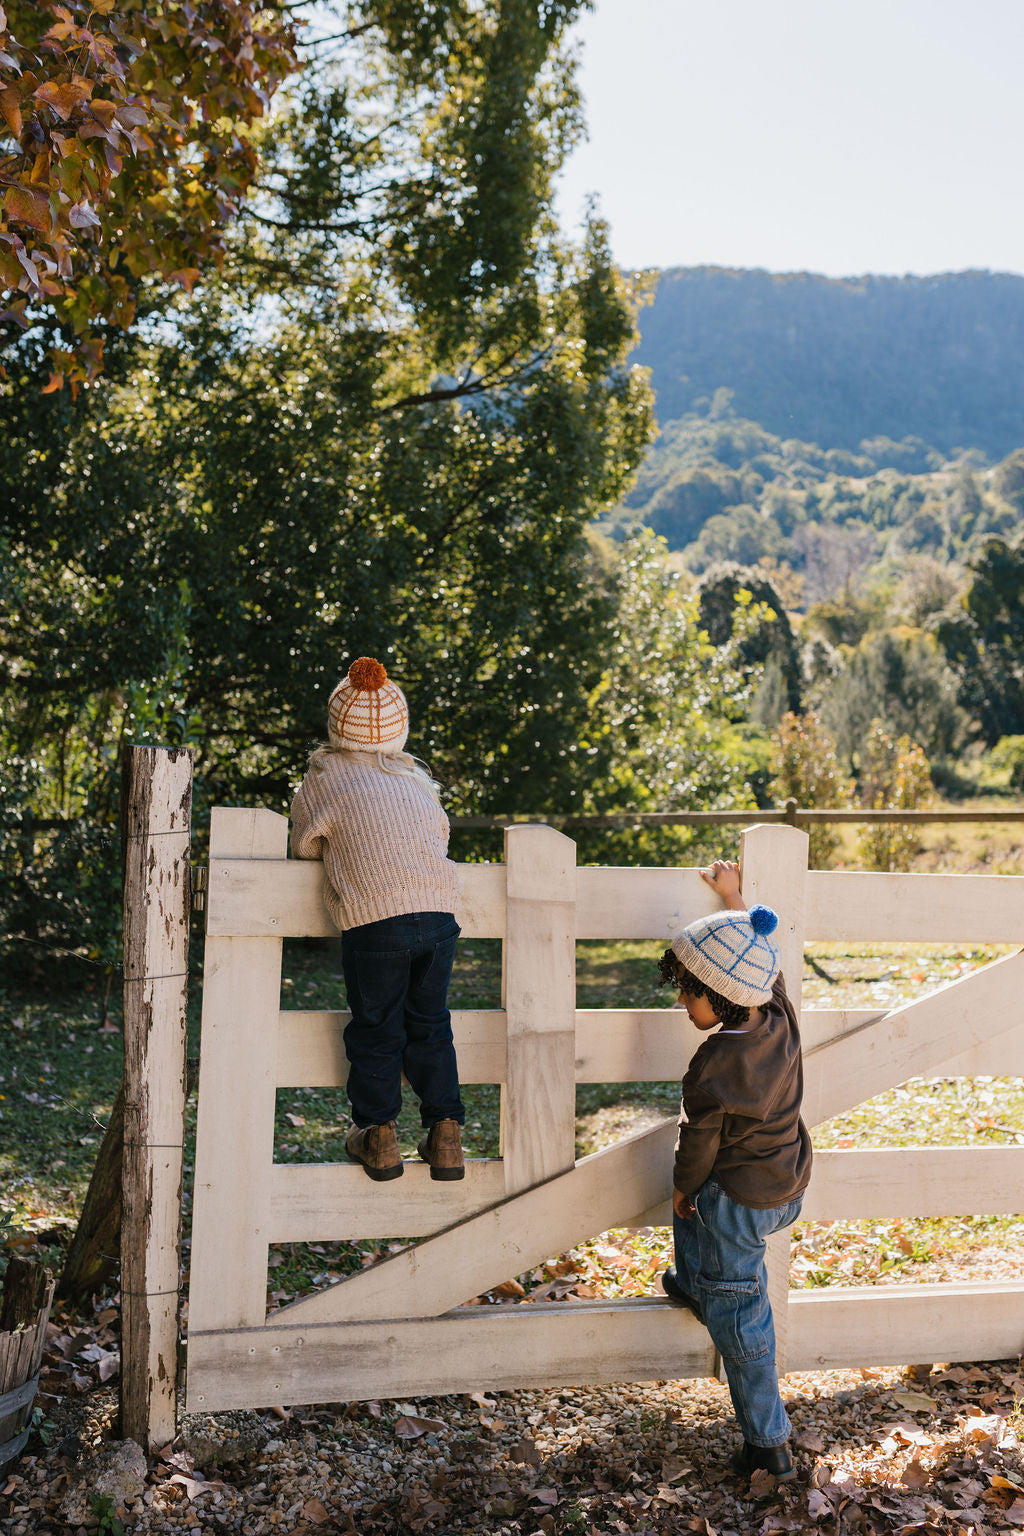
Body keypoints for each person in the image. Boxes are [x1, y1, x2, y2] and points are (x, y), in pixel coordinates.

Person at [657, 859, 812, 1481]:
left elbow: (697, 1147)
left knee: (742, 1313)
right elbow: (761, 959)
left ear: (721, 994)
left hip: (739, 1201)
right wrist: (735, 899)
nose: (682, 1000)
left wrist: (681, 1186)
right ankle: (700, 1285)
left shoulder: (713, 1066)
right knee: (701, 1228)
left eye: (689, 991)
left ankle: (767, 1443)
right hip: (786, 1184)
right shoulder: (779, 1013)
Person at [290, 656, 466, 1183]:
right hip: (438, 912)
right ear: (398, 728)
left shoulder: (324, 776)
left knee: (377, 1027)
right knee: (430, 1024)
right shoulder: (413, 777)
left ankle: (378, 1133)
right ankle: (446, 1133)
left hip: (376, 920)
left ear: (336, 724)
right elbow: (440, 834)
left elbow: (304, 844)